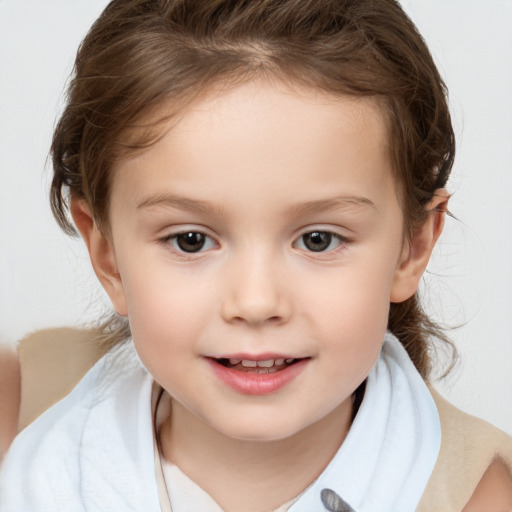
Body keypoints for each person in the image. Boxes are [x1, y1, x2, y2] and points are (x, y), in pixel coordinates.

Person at [1, 0, 511, 510]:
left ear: (412, 248)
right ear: (107, 253)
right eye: (190, 240)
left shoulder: (476, 494)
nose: (256, 301)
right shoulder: (22, 409)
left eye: (318, 239)